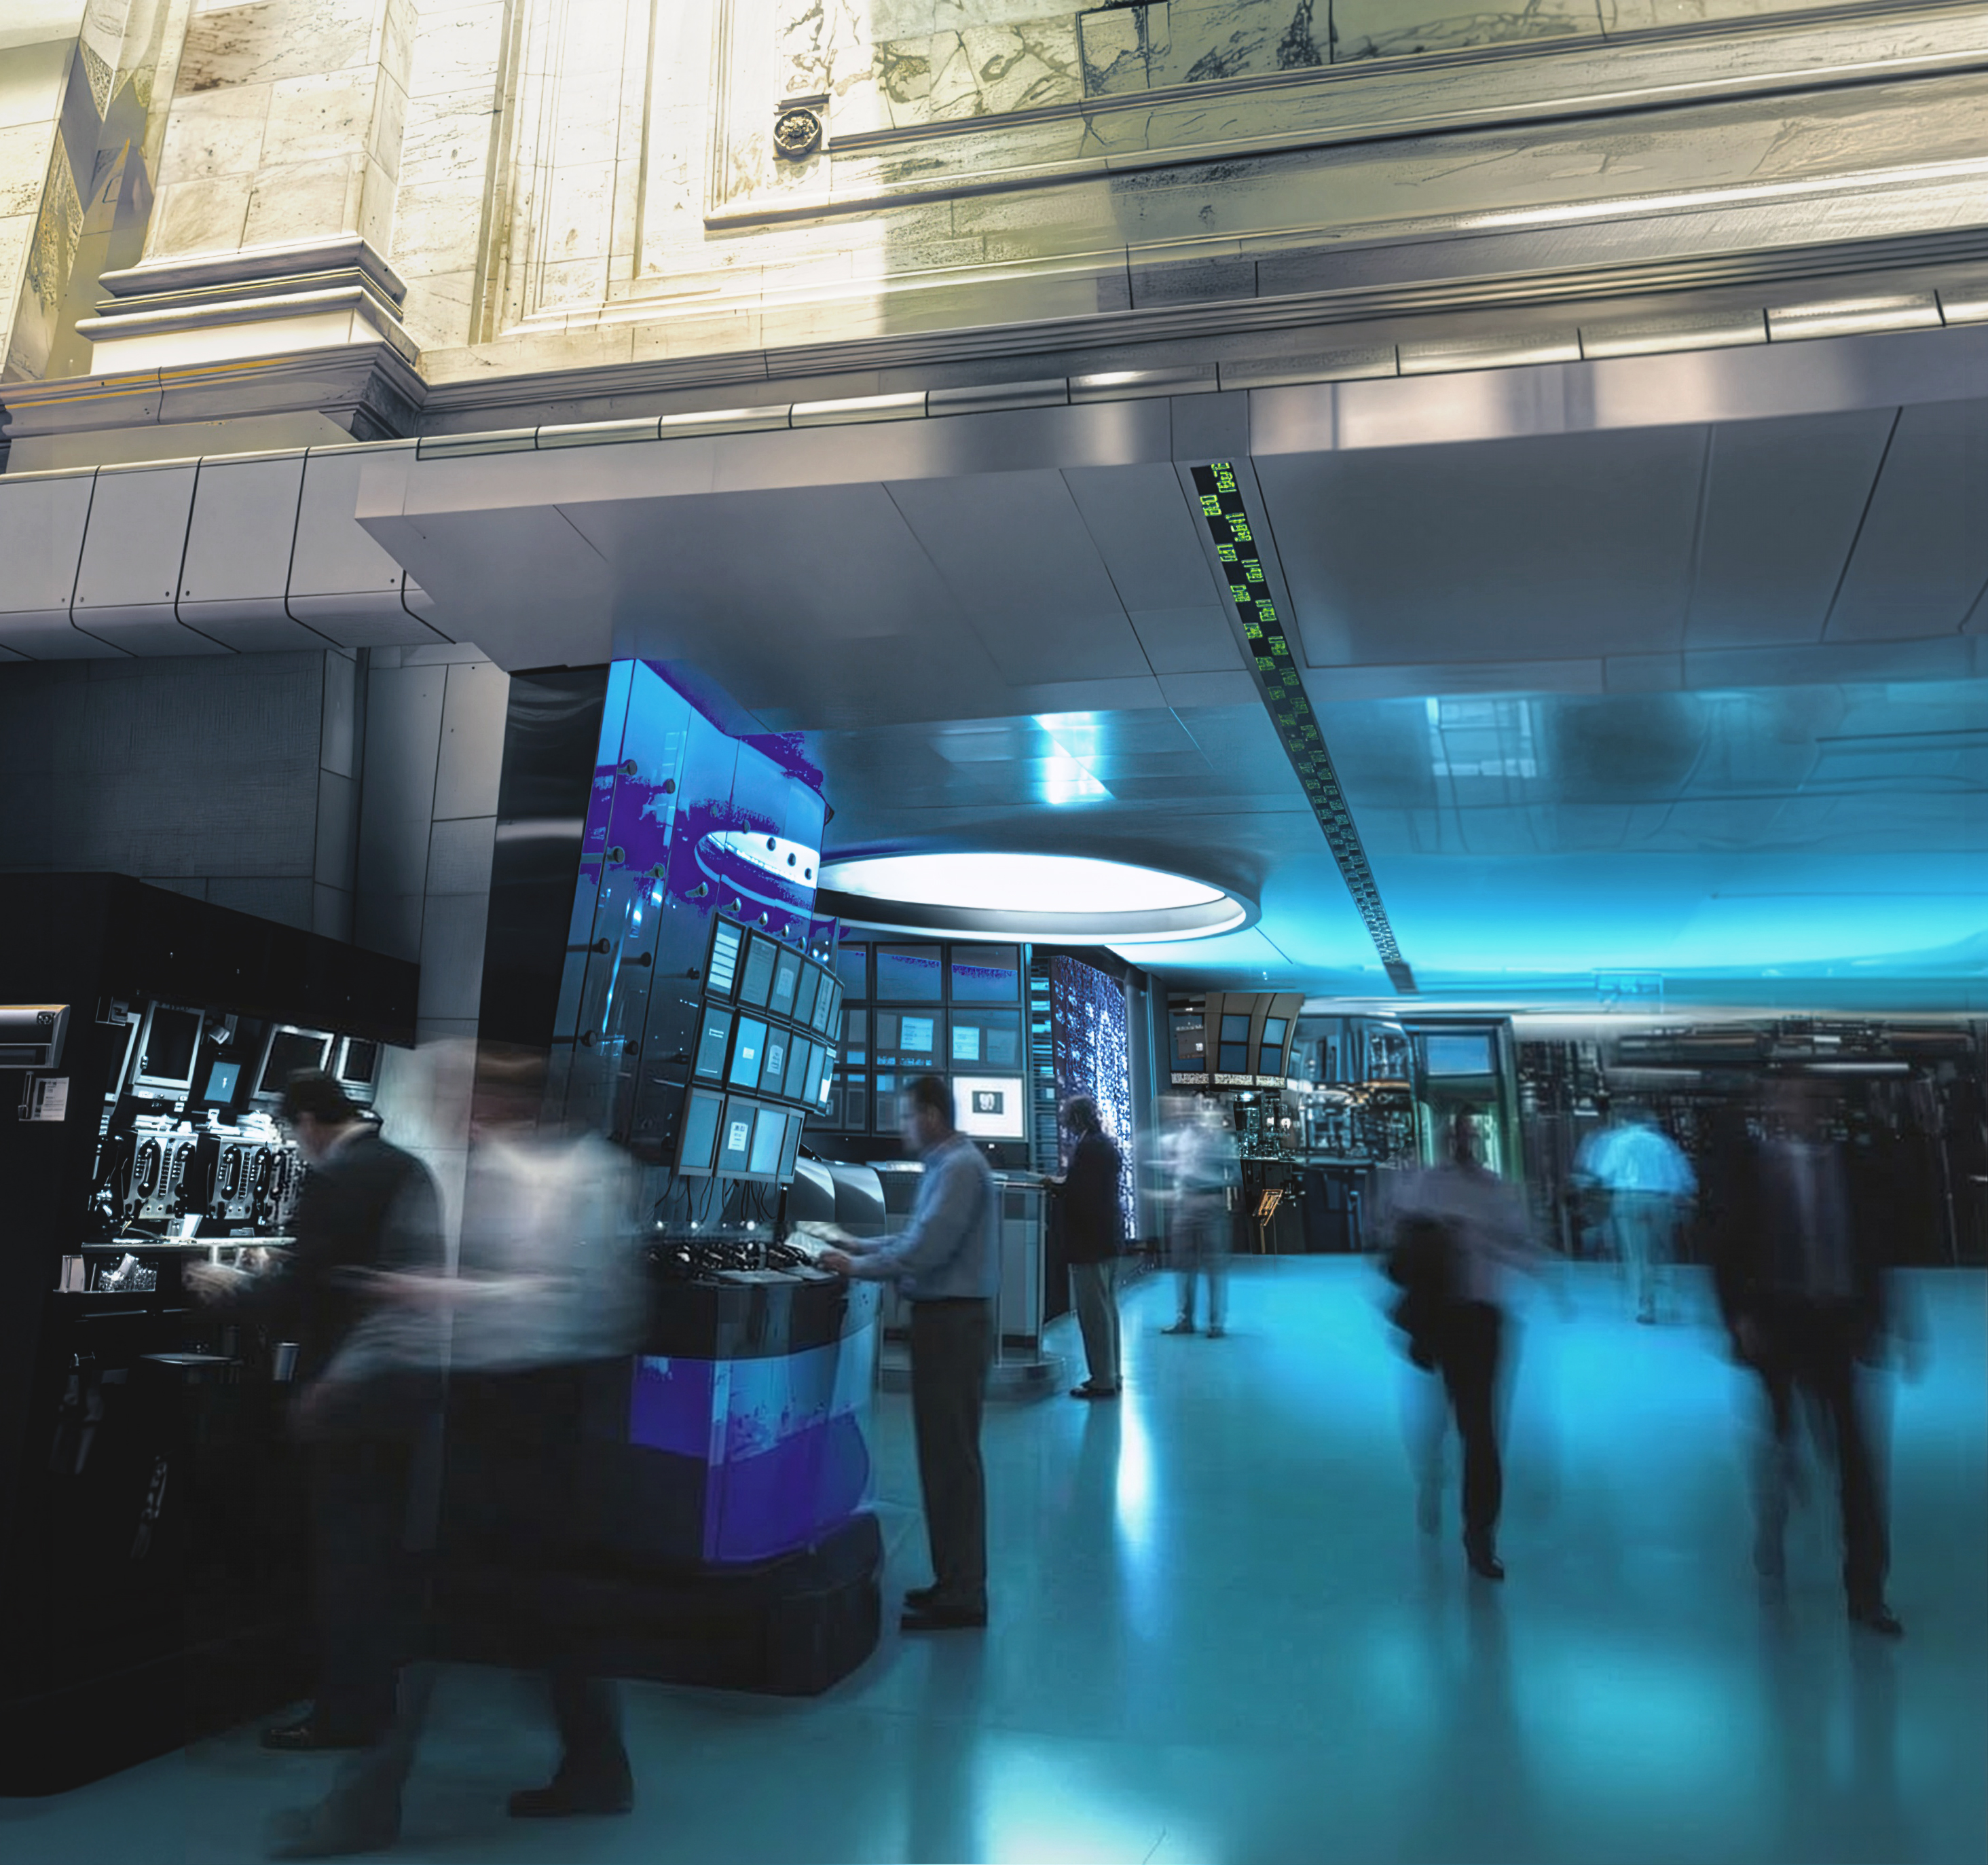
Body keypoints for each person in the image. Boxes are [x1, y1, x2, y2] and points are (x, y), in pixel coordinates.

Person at [263, 1050, 647, 1858]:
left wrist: (435, 1295)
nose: (452, 1108)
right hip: (494, 1411)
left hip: (545, 1412)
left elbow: (568, 1300)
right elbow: (417, 1300)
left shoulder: (577, 1178)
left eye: (467, 1093)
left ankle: (367, 1805)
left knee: (450, 1614)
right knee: (534, 1612)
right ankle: (595, 1767)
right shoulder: (483, 1178)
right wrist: (351, 1374)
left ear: (511, 1097)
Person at [187, 1071, 443, 1754]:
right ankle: (373, 1699)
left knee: (344, 1558)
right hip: (402, 1392)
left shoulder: (336, 1178)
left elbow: (309, 1288)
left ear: (305, 1120)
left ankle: (344, 1713)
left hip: (347, 1395)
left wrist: (233, 1286)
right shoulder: (408, 1166)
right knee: (377, 1556)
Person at [1708, 1074, 1922, 1638]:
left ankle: (1867, 1592)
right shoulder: (1756, 1171)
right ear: (1776, 1110)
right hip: (1778, 1325)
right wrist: (1738, 1320)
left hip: (1837, 1326)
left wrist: (1896, 1321)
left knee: (1858, 1464)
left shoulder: (1853, 1170)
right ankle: (1773, 1521)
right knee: (1779, 1443)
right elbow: (1727, 1248)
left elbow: (1877, 1248)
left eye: (1813, 1101)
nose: (1803, 1110)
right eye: (1792, 1100)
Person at [818, 1074, 998, 1631]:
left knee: (952, 1462)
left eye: (906, 1116)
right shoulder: (946, 1166)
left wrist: (856, 1266)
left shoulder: (961, 1168)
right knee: (942, 1459)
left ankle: (964, 1592)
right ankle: (953, 1582)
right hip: (944, 1325)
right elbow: (916, 1237)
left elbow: (927, 1248)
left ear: (933, 1115)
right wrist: (858, 1244)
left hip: (953, 1325)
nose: (901, 1128)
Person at [1383, 1111, 1561, 1581]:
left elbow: (1523, 1245)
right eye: (1455, 1134)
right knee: (1438, 1414)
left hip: (1482, 1318)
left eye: (1469, 1134)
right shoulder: (1426, 1185)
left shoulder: (1496, 1191)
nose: (1462, 1142)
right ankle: (1432, 1472)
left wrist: (1492, 1248)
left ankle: (1479, 1533)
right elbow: (1397, 1246)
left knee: (1480, 1428)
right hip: (1439, 1316)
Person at [1577, 1105, 1696, 1323]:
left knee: (1637, 1256)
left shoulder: (1618, 1141)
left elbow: (1603, 1173)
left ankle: (1646, 1307)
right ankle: (1670, 1297)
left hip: (1628, 1200)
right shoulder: (1661, 1143)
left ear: (1625, 1121)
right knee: (1662, 1250)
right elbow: (1678, 1177)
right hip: (1659, 1200)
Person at [1056, 1096, 1124, 1400]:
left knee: (1094, 1314)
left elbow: (1081, 1195)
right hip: (1107, 1239)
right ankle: (1112, 1373)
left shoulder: (1087, 1148)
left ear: (1077, 1119)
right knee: (1108, 1310)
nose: (1064, 1123)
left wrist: (1057, 1186)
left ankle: (1102, 1381)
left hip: (1090, 1243)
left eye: (1067, 1117)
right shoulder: (1104, 1144)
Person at [1162, 1097, 1238, 1337]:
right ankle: (1184, 1320)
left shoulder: (1218, 1138)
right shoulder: (1180, 1138)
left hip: (1210, 1203)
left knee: (1214, 1266)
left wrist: (1216, 1183)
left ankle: (1216, 1324)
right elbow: (1175, 1167)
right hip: (1185, 1202)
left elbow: (1234, 1170)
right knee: (1183, 1265)